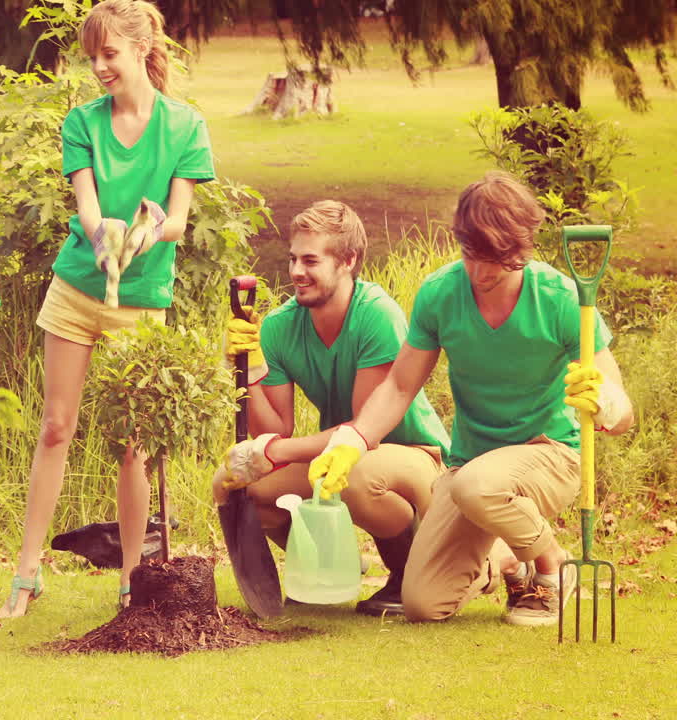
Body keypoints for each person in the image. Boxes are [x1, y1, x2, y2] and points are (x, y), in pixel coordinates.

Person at [307, 171, 634, 625]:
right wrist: (354, 440)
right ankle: (509, 558)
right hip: (470, 469)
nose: (480, 272)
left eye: (495, 259)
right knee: (423, 604)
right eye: (470, 255)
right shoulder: (440, 294)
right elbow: (401, 385)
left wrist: (608, 402)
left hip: (550, 453)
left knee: (477, 485)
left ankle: (551, 564)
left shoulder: (560, 298)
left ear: (521, 248)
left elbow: (621, 411)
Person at [0, 0, 215, 621]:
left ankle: (129, 581)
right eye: (91, 56)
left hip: (140, 305)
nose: (98, 67)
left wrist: (144, 235)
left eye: (109, 54)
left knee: (132, 448)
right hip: (75, 291)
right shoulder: (83, 122)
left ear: (143, 48)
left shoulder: (185, 126)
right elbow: (88, 207)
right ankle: (28, 572)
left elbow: (176, 219)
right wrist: (103, 236)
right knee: (55, 428)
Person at [213, 201, 449, 616]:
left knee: (354, 474)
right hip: (337, 456)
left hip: (415, 456)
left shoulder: (376, 316)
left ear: (348, 261)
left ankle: (409, 572)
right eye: (292, 259)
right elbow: (276, 431)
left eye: (310, 260)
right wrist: (250, 372)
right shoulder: (280, 327)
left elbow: (362, 430)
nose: (296, 272)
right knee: (237, 483)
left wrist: (276, 453)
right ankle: (328, 566)